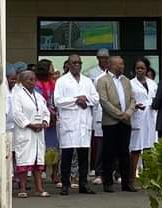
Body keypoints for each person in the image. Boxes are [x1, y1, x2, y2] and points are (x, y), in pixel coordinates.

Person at [55, 53, 98, 195]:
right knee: (67, 155)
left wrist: (85, 100)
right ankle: (65, 185)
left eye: (79, 63)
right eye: (73, 63)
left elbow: (96, 98)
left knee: (83, 157)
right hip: (69, 123)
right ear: (68, 64)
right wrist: (76, 100)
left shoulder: (87, 81)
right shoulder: (62, 81)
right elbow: (58, 101)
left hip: (84, 122)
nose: (76, 65)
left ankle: (83, 184)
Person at [97, 55, 136, 193]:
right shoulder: (103, 81)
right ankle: (107, 182)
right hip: (111, 122)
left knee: (124, 152)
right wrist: (120, 114)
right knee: (109, 152)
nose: (122, 66)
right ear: (110, 65)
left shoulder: (126, 81)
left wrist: (129, 113)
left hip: (126, 121)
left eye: (123, 63)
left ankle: (127, 182)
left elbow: (132, 99)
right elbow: (104, 101)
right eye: (119, 64)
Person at [13, 70, 50, 198]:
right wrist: (30, 124)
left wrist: (45, 122)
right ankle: (22, 188)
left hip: (38, 132)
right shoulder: (17, 95)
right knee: (23, 160)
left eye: (34, 79)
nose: (32, 82)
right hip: (25, 132)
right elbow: (16, 114)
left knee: (38, 160)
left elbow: (46, 112)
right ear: (22, 81)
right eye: (29, 79)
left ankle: (39, 188)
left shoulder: (39, 97)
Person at [128, 58, 157, 186]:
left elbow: (156, 98)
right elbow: (127, 100)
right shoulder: (130, 83)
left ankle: (148, 178)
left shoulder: (152, 83)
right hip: (137, 117)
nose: (140, 70)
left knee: (149, 149)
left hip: (150, 117)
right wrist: (134, 106)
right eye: (138, 68)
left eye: (142, 68)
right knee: (135, 149)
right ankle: (132, 178)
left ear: (147, 69)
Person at [33, 60, 60, 188]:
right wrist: (50, 113)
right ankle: (41, 172)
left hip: (54, 120)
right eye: (51, 67)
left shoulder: (53, 83)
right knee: (43, 148)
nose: (53, 69)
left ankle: (55, 174)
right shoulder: (37, 84)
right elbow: (41, 102)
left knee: (54, 147)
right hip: (44, 118)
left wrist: (56, 111)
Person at [86, 49, 111, 184]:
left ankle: (112, 172)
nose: (104, 60)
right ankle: (98, 172)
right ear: (97, 59)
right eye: (102, 58)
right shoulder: (91, 73)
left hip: (112, 113)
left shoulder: (113, 73)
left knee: (113, 144)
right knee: (99, 145)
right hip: (98, 111)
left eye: (106, 58)